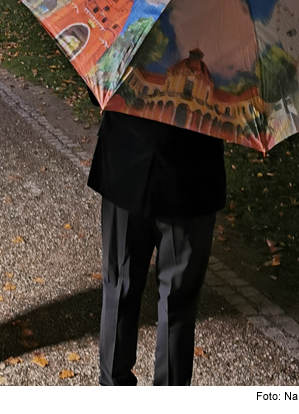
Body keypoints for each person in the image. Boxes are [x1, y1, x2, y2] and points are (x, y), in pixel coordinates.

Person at [87, 108, 226, 386]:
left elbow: (99, 86)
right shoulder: (228, 63)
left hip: (128, 161)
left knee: (119, 289)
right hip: (189, 175)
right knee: (176, 305)